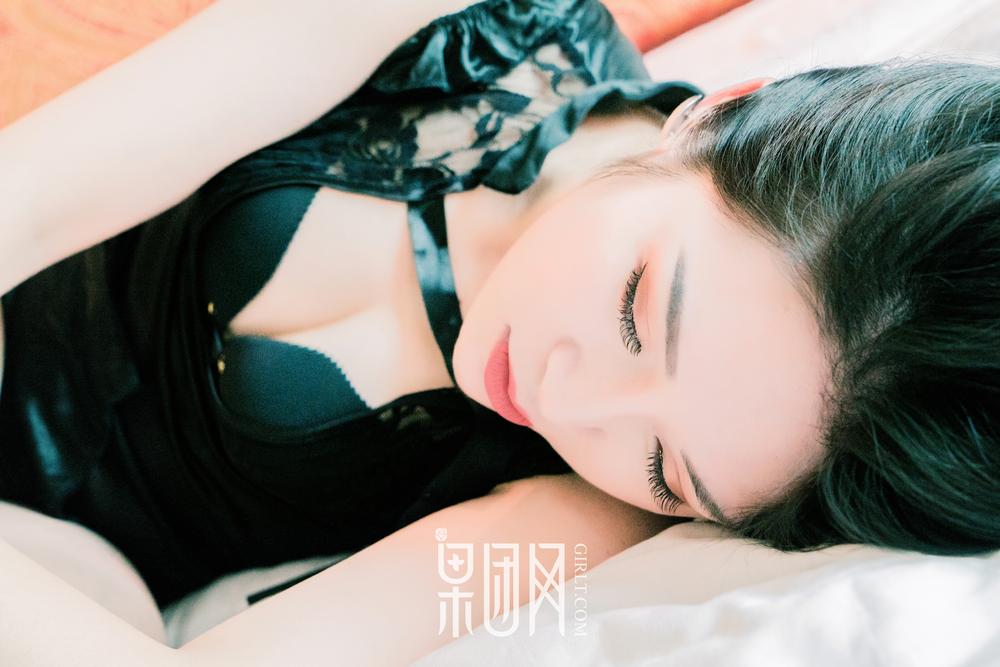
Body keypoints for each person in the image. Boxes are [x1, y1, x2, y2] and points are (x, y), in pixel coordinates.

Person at [0, 0, 997, 663]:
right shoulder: (465, 23)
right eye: (635, 308)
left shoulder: (586, 524)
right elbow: (27, 196)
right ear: (715, 113)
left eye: (665, 466)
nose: (570, 399)